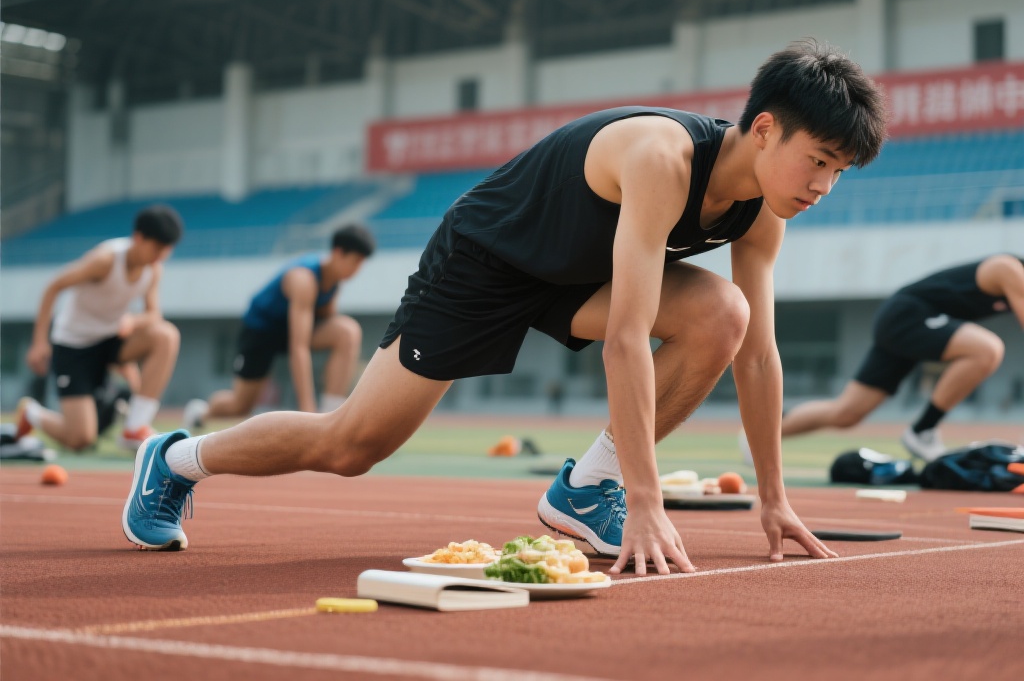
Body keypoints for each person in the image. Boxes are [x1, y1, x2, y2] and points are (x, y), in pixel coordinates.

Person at [123, 40, 885, 575]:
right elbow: (626, 339)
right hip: (486, 261)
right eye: (817, 160)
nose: (823, 185)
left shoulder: (763, 214)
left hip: (571, 277)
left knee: (724, 316)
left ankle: (585, 490)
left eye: (840, 171)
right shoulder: (663, 159)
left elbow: (758, 356)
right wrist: (649, 502)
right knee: (352, 446)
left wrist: (776, 498)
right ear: (763, 128)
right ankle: (177, 458)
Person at [779, 255, 1024, 461]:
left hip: (914, 324)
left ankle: (764, 433)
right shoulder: (1009, 269)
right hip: (908, 314)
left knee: (847, 413)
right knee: (987, 350)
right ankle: (923, 430)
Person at [18, 205, 183, 452]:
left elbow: (152, 314)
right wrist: (40, 342)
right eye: (158, 248)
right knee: (81, 438)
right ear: (139, 238)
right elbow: (53, 286)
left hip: (111, 339)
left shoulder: (153, 269)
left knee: (166, 335)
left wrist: (132, 322)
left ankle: (134, 428)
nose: (161, 256)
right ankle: (31, 413)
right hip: (75, 346)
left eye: (167, 250)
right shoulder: (105, 261)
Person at [182, 224, 376, 430]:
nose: (357, 270)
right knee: (240, 406)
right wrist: (308, 413)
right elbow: (298, 347)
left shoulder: (333, 284)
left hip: (289, 332)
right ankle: (201, 412)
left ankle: (334, 418)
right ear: (338, 253)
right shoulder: (304, 279)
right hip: (261, 332)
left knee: (347, 331)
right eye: (355, 262)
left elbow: (328, 325)